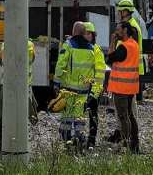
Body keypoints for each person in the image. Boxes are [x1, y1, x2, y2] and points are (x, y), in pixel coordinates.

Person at [53, 21, 104, 149]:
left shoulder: (69, 45)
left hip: (69, 90)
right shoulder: (92, 50)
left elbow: (61, 65)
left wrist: (56, 82)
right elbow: (98, 73)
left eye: (90, 33)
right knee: (79, 119)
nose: (88, 36)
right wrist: (94, 92)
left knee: (67, 118)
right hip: (84, 92)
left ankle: (68, 143)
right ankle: (79, 144)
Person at [107, 21, 140, 153]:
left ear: (125, 30)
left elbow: (110, 57)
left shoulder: (124, 47)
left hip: (121, 87)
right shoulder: (134, 45)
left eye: (118, 30)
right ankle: (135, 143)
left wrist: (112, 41)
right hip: (131, 87)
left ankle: (125, 144)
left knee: (123, 116)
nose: (116, 32)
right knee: (130, 115)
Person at [0, 38, 37, 134]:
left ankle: (4, 135)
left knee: (4, 112)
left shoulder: (4, 45)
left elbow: (1, 61)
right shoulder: (30, 45)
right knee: (23, 113)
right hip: (25, 84)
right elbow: (33, 59)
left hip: (7, 84)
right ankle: (21, 133)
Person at [83, 21, 106, 147]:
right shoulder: (76, 48)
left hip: (92, 87)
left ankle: (91, 140)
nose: (87, 36)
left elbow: (100, 73)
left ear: (93, 35)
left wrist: (95, 92)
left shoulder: (96, 50)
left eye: (89, 34)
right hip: (79, 87)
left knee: (92, 114)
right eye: (84, 33)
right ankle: (78, 139)